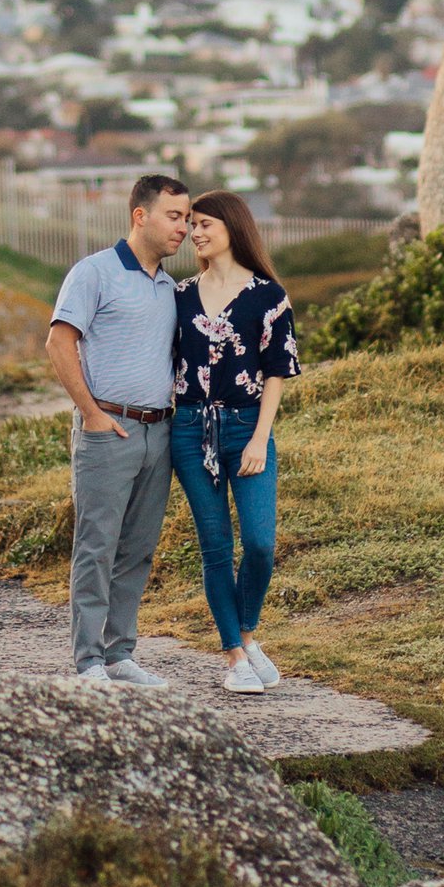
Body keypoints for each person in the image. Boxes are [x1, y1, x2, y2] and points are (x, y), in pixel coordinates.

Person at [46, 171, 195, 688]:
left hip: (159, 432)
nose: (183, 228)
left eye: (187, 218)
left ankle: (119, 654)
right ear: (140, 215)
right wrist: (91, 413)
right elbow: (59, 342)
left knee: (138, 549)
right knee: (97, 545)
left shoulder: (170, 288)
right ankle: (88, 661)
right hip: (108, 428)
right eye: (174, 216)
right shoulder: (95, 272)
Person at [170, 189, 300, 693]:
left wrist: (260, 439)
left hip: (248, 428)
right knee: (216, 548)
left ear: (233, 227)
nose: (195, 233)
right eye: (192, 224)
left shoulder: (269, 296)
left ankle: (247, 634)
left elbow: (277, 371)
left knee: (261, 544)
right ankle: (234, 658)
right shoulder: (179, 295)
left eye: (205, 224)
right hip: (189, 430)